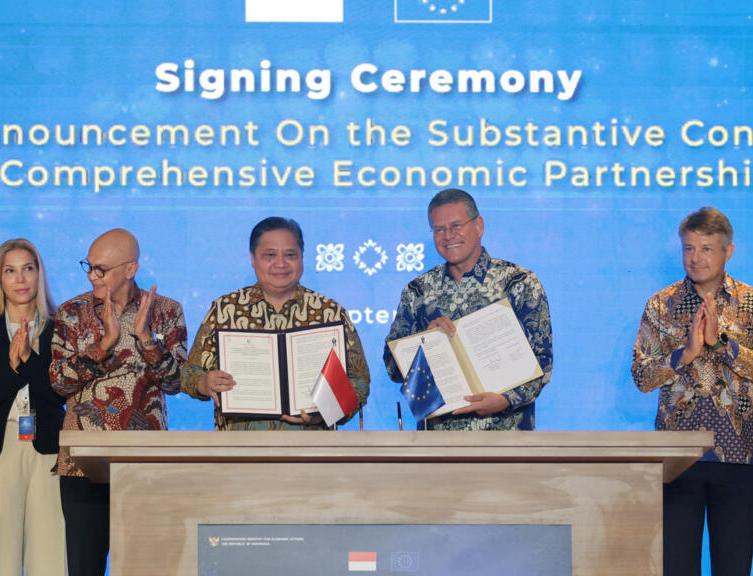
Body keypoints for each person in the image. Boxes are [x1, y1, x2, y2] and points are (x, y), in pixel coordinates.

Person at [631, 206, 753, 576]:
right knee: (677, 566)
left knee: (734, 565)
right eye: (688, 249)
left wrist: (723, 344)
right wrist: (685, 354)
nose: (695, 258)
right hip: (677, 457)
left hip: (739, 456)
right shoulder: (661, 304)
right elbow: (641, 376)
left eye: (706, 249)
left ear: (728, 251)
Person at [50, 228, 187, 576]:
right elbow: (58, 382)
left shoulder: (166, 312)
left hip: (144, 462)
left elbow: (175, 382)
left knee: (144, 567)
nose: (91, 275)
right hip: (82, 464)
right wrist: (104, 344)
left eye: (101, 269)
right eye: (89, 266)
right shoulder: (72, 312)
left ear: (131, 269)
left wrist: (146, 339)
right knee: (85, 568)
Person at [383, 188, 552, 430]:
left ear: (479, 226)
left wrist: (505, 400)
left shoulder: (519, 283)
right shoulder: (417, 291)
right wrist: (424, 342)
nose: (448, 235)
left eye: (456, 225)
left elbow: (542, 363)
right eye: (439, 229)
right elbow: (392, 366)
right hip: (438, 446)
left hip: (507, 442)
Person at [181, 217, 370, 429]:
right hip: (240, 449)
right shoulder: (225, 309)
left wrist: (324, 413)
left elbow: (359, 382)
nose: (280, 263)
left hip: (312, 450)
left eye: (290, 255)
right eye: (270, 255)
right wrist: (204, 383)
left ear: (302, 258)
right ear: (253, 258)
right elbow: (189, 372)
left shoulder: (330, 312)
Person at [0, 238, 66, 576]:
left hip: (48, 448)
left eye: (28, 269)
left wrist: (29, 361)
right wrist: (10, 368)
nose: (21, 279)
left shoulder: (59, 328)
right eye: (10, 271)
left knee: (50, 555)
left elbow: (60, 394)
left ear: (39, 275)